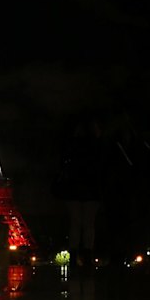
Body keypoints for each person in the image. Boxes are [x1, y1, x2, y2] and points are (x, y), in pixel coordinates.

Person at [52, 115, 108, 268]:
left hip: (73, 187)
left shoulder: (71, 145)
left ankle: (74, 255)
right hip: (91, 187)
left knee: (75, 223)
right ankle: (87, 255)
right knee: (89, 224)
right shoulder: (99, 146)